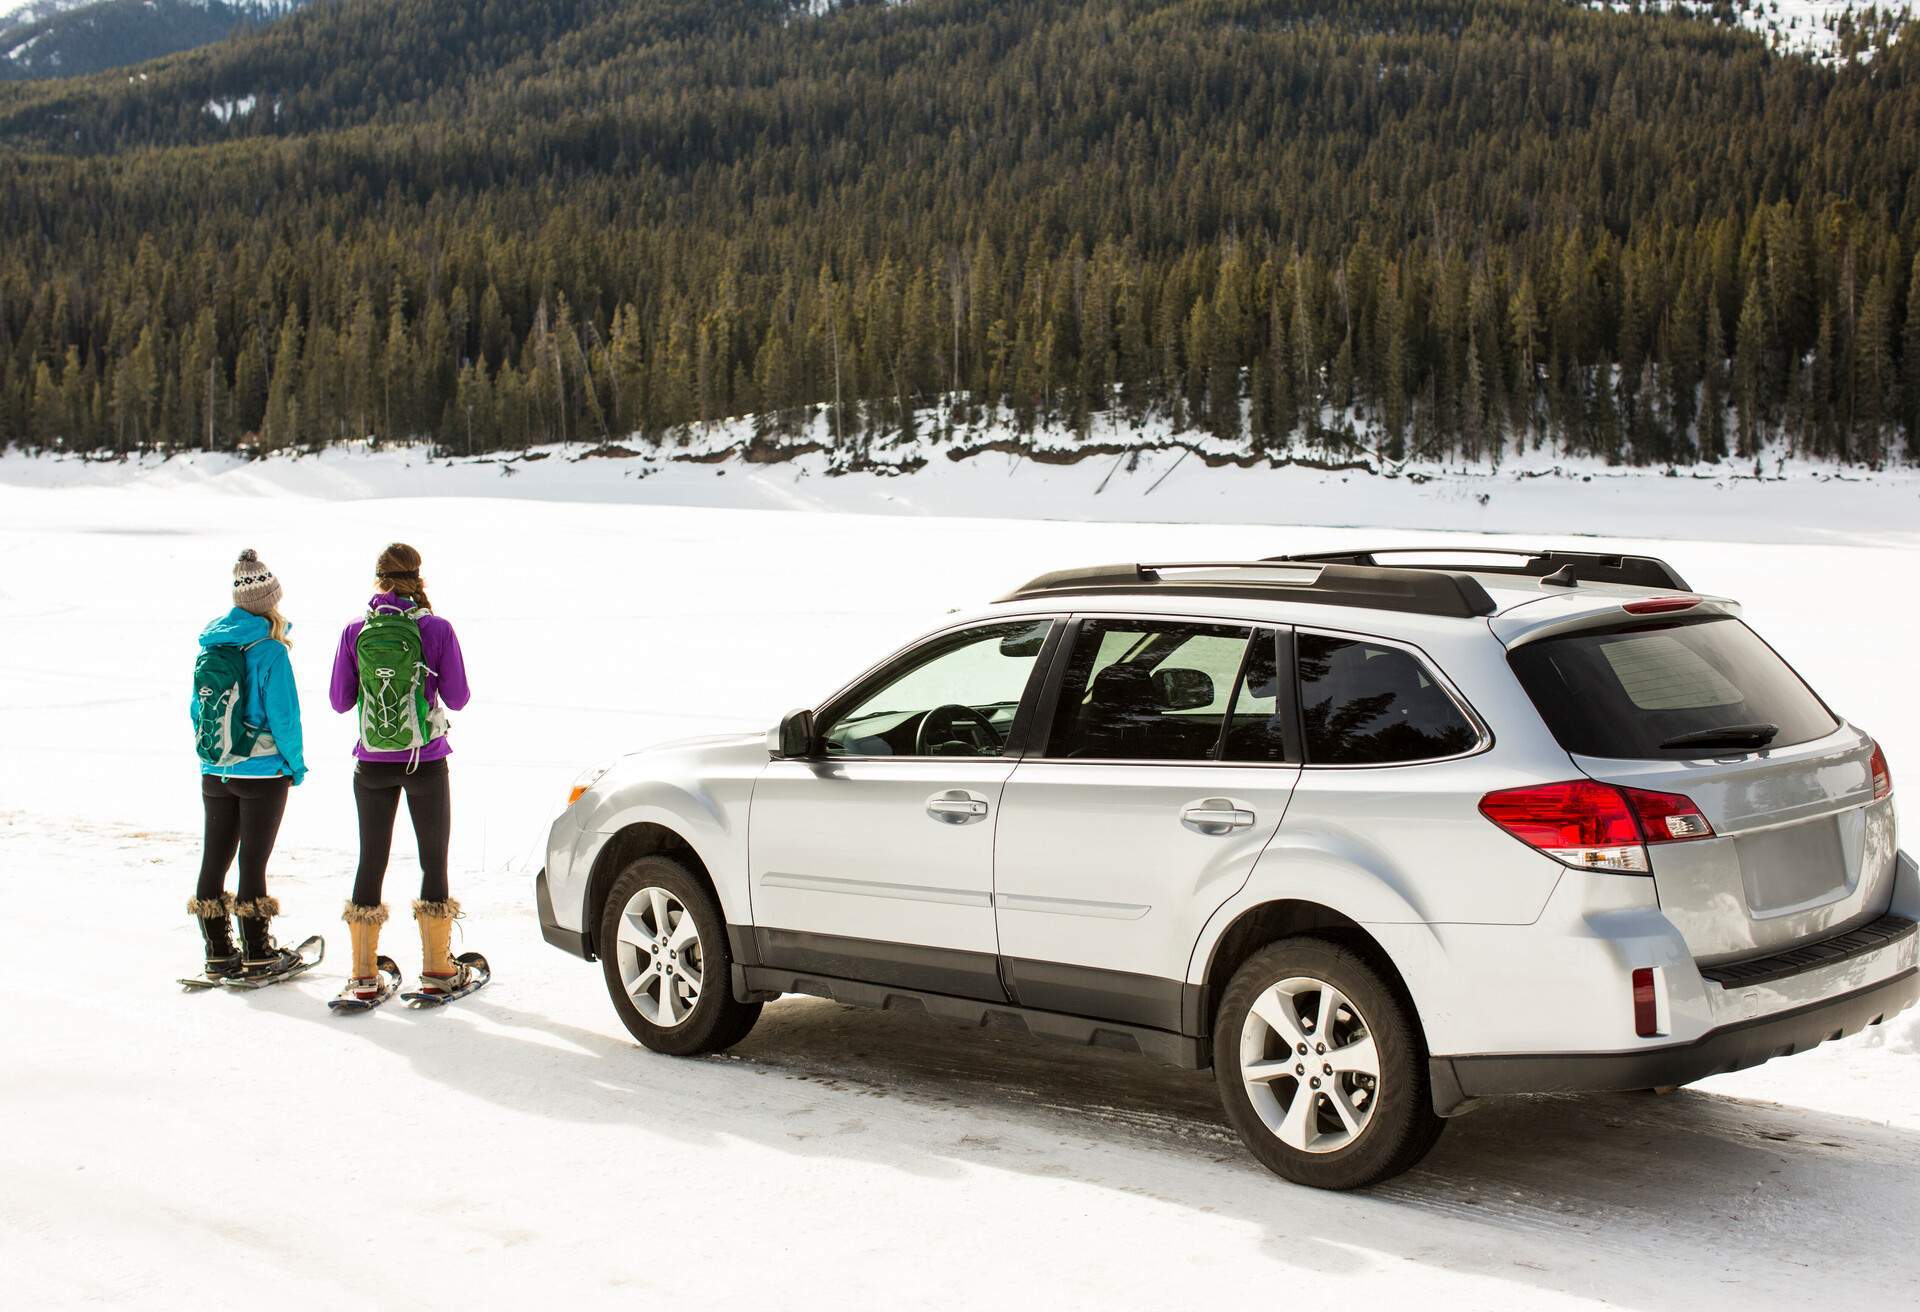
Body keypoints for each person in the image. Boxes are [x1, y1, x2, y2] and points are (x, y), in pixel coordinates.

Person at [329, 543, 475, 1005]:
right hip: (426, 761)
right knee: (433, 860)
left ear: (378, 579)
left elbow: (339, 700)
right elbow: (459, 697)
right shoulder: (436, 629)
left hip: (371, 763)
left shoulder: (356, 630)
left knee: (371, 859)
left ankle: (363, 976)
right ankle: (437, 970)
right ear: (419, 578)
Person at [187, 549, 311, 981]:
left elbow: (195, 711)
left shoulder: (212, 645)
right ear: (270, 600)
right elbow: (285, 718)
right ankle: (259, 953)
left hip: (215, 769)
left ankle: (219, 953)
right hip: (261, 772)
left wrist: (211, 758)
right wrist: (294, 765)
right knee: (252, 864)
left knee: (213, 859)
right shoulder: (271, 651)